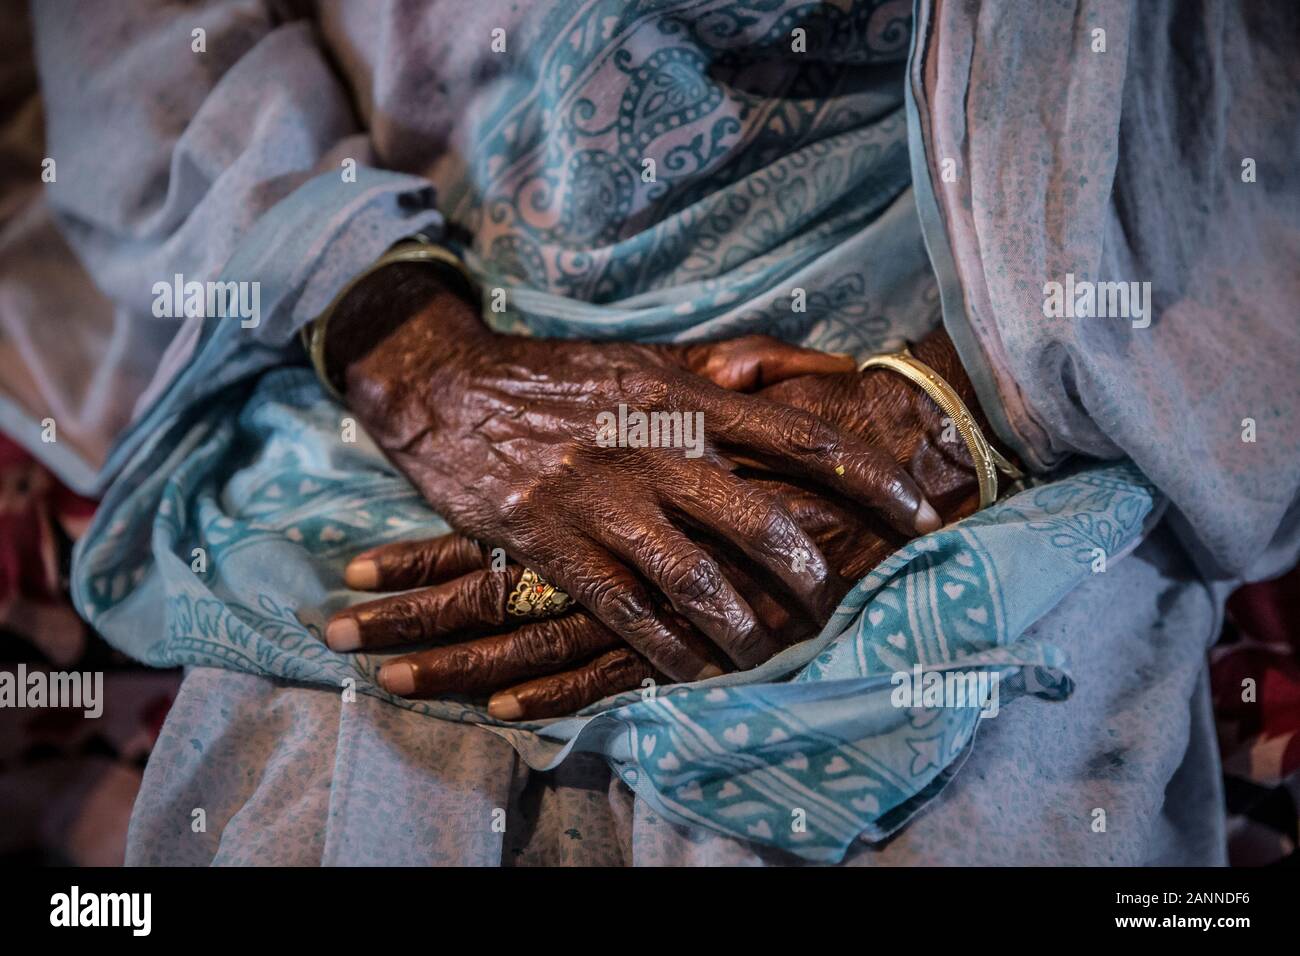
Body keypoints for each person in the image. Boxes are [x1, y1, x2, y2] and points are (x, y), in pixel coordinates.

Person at [4, 0, 1297, 864]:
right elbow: (145, 37)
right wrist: (412, 351)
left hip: (1046, 293)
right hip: (425, 274)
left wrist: (949, 415)